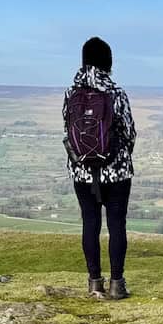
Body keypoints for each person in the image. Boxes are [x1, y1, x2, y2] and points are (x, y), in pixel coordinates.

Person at [62, 36, 136, 300]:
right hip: (116, 172)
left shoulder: (71, 93)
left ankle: (94, 282)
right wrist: (119, 157)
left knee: (90, 223)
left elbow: (69, 130)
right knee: (116, 225)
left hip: (81, 171)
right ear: (109, 62)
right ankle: (117, 284)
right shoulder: (117, 94)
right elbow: (129, 133)